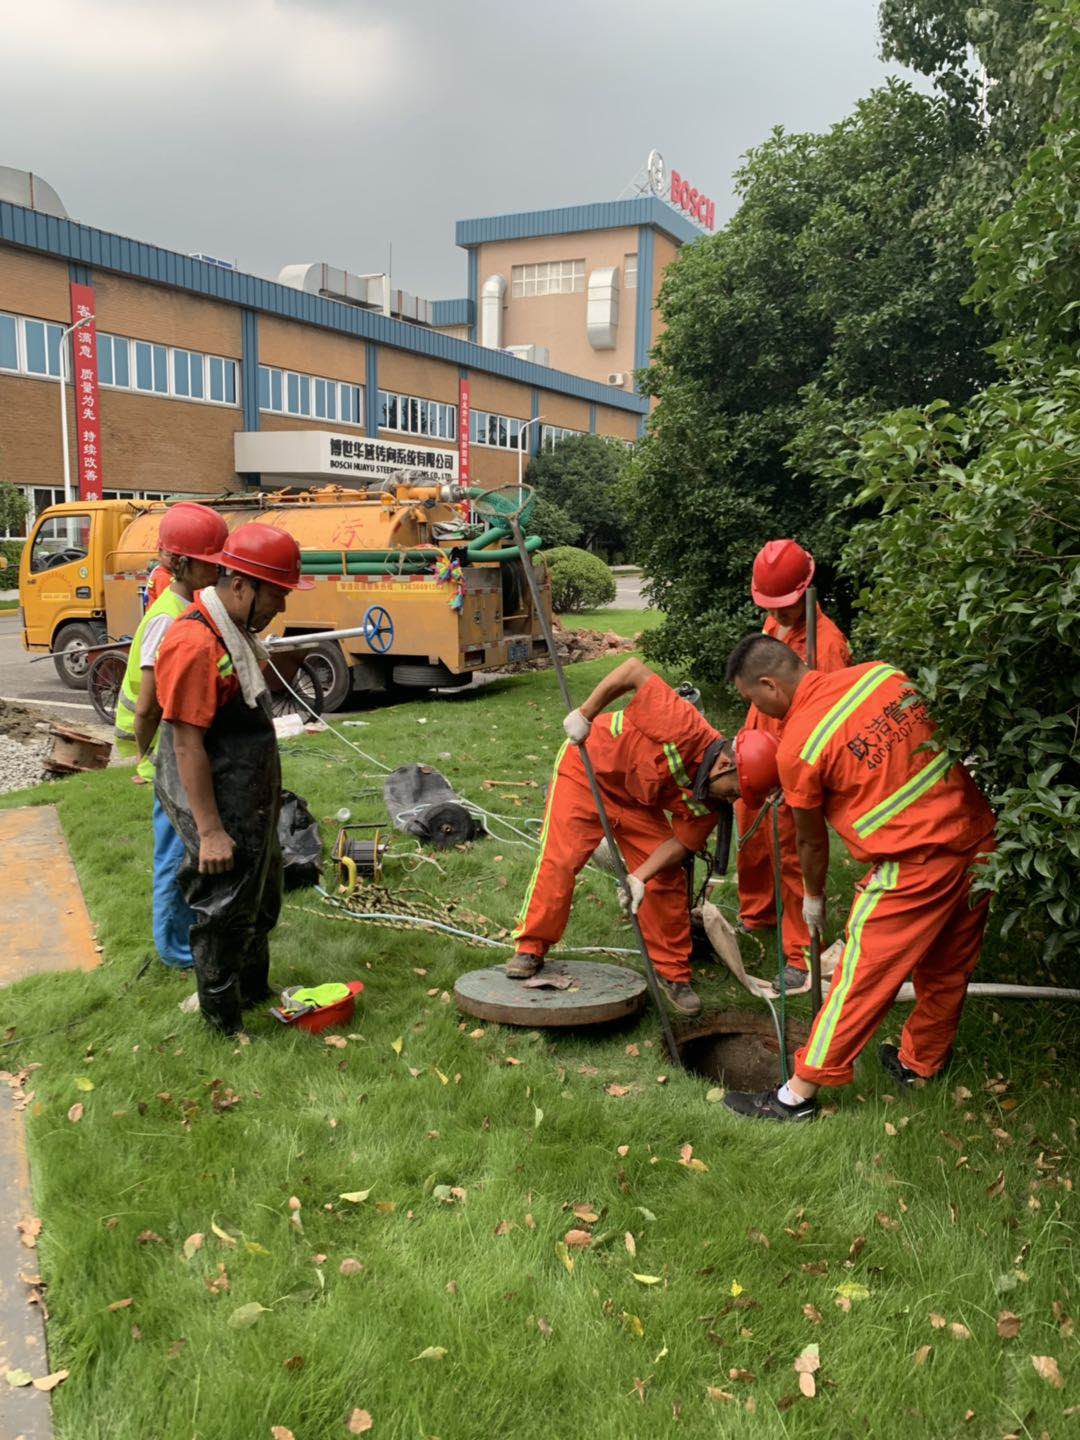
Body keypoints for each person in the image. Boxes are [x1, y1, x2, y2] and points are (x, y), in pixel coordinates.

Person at [721, 635, 996, 1122]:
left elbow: (809, 841)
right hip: (978, 841)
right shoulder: (883, 676)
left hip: (914, 867)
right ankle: (921, 1064)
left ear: (769, 684)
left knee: (858, 979)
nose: (755, 709)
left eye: (751, 700)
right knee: (948, 965)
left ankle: (795, 1097)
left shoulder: (800, 746)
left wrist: (813, 897)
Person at [509, 658, 780, 1017]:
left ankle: (673, 974)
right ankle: (531, 947)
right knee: (560, 861)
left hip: (636, 801)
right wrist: (586, 715)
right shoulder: (684, 725)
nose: (732, 801)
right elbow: (633, 670)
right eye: (735, 792)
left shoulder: (711, 802)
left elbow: (681, 844)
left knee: (666, 878)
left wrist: (639, 877)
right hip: (588, 769)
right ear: (725, 765)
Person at [153, 524, 313, 1035]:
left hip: (248, 797)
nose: (281, 608)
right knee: (223, 911)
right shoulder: (195, 643)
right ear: (240, 584)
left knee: (260, 899)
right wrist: (211, 831)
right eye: (278, 594)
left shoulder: (234, 634)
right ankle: (223, 1023)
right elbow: (185, 744)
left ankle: (252, 990)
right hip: (217, 800)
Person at [114, 503, 230, 966]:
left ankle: (185, 935)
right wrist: (147, 758)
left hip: (167, 747)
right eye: (211, 560)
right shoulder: (168, 617)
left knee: (183, 847)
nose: (218, 568)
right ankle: (174, 949)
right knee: (172, 853)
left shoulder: (190, 606)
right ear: (181, 562)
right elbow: (148, 705)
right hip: (161, 749)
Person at [736, 540, 851, 990]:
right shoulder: (775, 625)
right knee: (752, 840)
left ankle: (801, 953)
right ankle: (757, 914)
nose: (778, 615)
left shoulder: (827, 646)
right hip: (756, 754)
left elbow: (828, 718)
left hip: (792, 764)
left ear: (807, 591)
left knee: (791, 854)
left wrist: (797, 773)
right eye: (771, 606)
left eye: (785, 607)